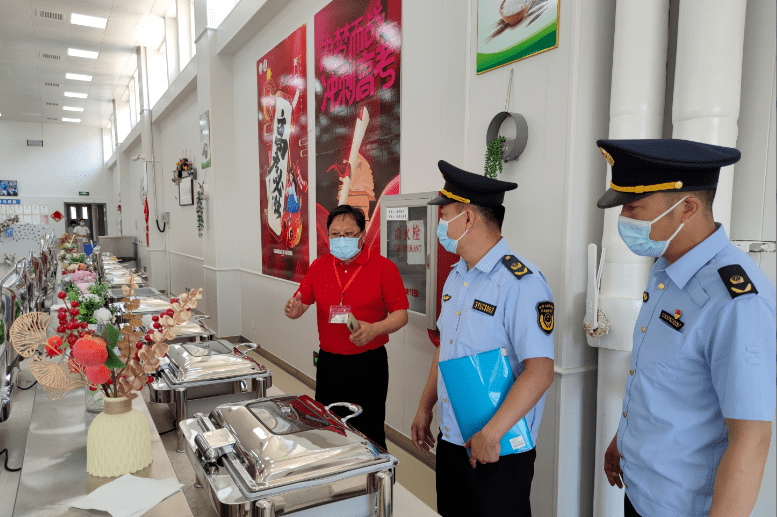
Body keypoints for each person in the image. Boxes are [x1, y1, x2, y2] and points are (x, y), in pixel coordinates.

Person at [596, 139, 775, 517]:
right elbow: (666, 384)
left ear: (687, 208)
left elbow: (752, 438)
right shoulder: (666, 270)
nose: (624, 218)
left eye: (633, 206)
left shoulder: (737, 301)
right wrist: (623, 440)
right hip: (642, 491)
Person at [411, 160, 555, 517]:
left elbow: (540, 371)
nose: (440, 225)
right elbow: (446, 347)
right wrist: (425, 405)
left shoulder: (521, 282)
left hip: (498, 447)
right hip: (453, 437)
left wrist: (492, 433)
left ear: (469, 219)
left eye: (445, 216)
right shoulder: (458, 276)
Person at [284, 204, 408, 449]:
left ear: (362, 235)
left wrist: (374, 329)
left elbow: (401, 315)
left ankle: (374, 479)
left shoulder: (384, 268)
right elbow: (301, 302)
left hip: (368, 365)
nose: (341, 240)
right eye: (335, 234)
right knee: (328, 424)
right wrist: (294, 310)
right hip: (329, 363)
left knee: (369, 427)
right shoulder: (319, 266)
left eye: (348, 234)